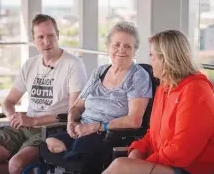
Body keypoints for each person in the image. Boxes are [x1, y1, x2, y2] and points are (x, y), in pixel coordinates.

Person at [0, 14, 87, 174]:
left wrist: (34, 120)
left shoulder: (73, 64)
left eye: (51, 36)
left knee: (16, 165)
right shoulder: (30, 64)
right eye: (40, 37)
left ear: (58, 36)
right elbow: (9, 102)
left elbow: (74, 112)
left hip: (52, 129)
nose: (46, 42)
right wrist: (13, 116)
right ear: (34, 41)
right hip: (25, 125)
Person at [102, 30, 214, 174]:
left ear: (167, 59)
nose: (150, 62)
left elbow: (182, 150)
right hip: (171, 165)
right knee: (123, 165)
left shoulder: (196, 91)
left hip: (192, 169)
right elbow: (153, 133)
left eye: (152, 56)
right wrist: (138, 150)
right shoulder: (165, 87)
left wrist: (140, 165)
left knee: (121, 166)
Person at [42, 21, 152, 174]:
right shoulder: (100, 71)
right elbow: (78, 105)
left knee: (78, 153)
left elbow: (134, 120)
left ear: (135, 51)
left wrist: (95, 127)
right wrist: (70, 122)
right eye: (116, 45)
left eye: (128, 46)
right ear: (108, 47)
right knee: (46, 143)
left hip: (109, 134)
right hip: (82, 129)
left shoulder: (139, 76)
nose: (121, 50)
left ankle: (72, 152)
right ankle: (71, 150)